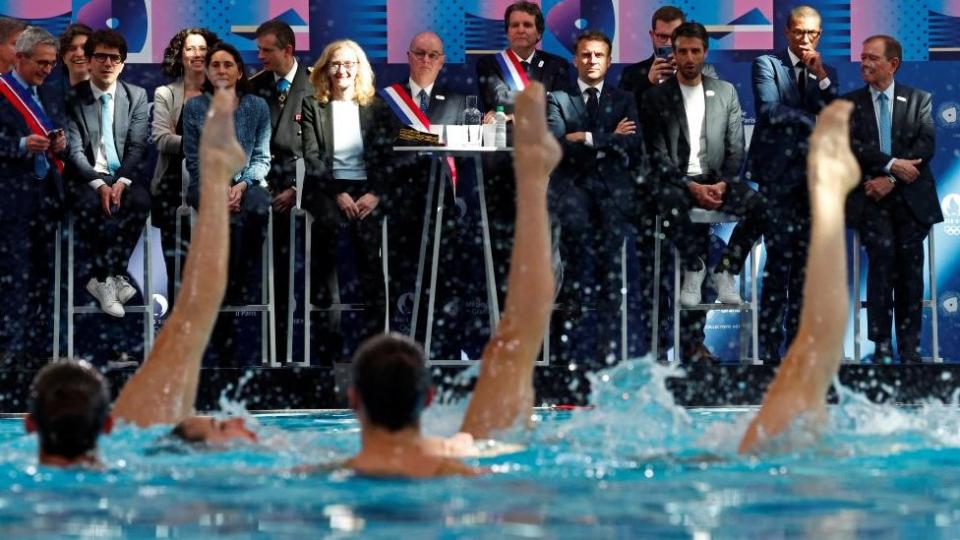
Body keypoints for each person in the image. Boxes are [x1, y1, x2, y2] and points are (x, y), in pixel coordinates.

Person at [25, 86, 256, 466]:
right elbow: (192, 313)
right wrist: (215, 177)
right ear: (109, 425)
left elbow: (191, 318)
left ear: (30, 426)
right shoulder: (137, 427)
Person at [344, 82, 558, 477]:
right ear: (429, 397)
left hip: (449, 211)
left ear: (353, 400)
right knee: (512, 355)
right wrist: (532, 179)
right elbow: (519, 329)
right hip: (413, 212)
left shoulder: (319, 472)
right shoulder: (457, 457)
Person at [641, 22, 768, 363]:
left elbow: (736, 149)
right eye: (681, 51)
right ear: (673, 52)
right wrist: (691, 187)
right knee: (666, 202)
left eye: (695, 51)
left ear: (705, 52)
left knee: (761, 208)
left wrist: (723, 184)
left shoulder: (724, 91)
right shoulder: (655, 98)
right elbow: (656, 155)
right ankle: (695, 265)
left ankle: (726, 266)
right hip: (677, 184)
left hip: (719, 181)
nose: (688, 57)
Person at [739, 99, 861, 453]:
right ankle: (828, 191)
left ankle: (828, 190)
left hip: (741, 459)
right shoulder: (770, 69)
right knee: (812, 353)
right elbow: (769, 107)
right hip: (784, 190)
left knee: (810, 351)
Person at [618, 6, 718, 360]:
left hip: (693, 186)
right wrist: (650, 86)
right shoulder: (632, 77)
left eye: (676, 38)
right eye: (663, 38)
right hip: (648, 189)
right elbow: (627, 131)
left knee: (696, 269)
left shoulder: (707, 77)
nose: (670, 46)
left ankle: (693, 343)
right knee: (654, 273)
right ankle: (656, 348)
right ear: (652, 37)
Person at [745, 5, 838, 364]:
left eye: (812, 34)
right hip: (776, 182)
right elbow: (769, 111)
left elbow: (837, 111)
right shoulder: (767, 65)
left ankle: (797, 349)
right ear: (786, 32)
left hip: (814, 185)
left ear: (820, 36)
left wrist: (821, 77)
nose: (805, 40)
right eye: (799, 32)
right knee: (777, 267)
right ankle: (768, 351)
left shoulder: (826, 73)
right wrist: (815, 120)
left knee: (805, 272)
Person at [545, 30, 642, 367]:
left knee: (613, 278)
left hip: (613, 197)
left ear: (609, 60)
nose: (591, 61)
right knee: (578, 276)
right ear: (575, 59)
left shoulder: (624, 98)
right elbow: (558, 145)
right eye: (585, 55)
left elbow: (631, 144)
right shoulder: (557, 98)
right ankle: (573, 357)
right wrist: (608, 138)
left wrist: (584, 136)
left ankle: (611, 357)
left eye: (598, 55)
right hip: (571, 195)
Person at [844, 35, 942, 364]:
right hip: (870, 199)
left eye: (873, 58)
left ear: (893, 64)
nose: (865, 64)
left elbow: (924, 147)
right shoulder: (849, 104)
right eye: (863, 57)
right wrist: (889, 165)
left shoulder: (920, 100)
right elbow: (853, 147)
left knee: (910, 269)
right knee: (883, 257)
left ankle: (911, 348)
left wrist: (891, 178)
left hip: (910, 199)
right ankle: (882, 344)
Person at [475, 1, 573, 311]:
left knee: (548, 248)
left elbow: (561, 112)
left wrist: (514, 113)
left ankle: (544, 321)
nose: (520, 30)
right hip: (503, 171)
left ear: (539, 32)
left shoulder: (558, 66)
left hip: (546, 173)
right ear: (506, 31)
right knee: (506, 247)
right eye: (515, 25)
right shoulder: (490, 65)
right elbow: (497, 100)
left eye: (527, 25)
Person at [300, 39, 393, 358]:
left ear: (359, 69)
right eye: (336, 64)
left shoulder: (375, 106)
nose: (342, 70)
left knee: (370, 257)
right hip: (327, 189)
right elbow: (312, 157)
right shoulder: (313, 104)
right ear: (326, 69)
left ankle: (375, 344)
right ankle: (327, 343)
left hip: (366, 189)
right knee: (326, 245)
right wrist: (337, 193)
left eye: (349, 64)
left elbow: (389, 155)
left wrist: (375, 194)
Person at [183, 41, 271, 365]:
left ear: (239, 71)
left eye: (227, 65)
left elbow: (262, 158)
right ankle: (224, 292)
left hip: (247, 185)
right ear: (207, 71)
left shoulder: (257, 106)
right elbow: (194, 160)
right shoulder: (194, 108)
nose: (221, 70)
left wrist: (243, 184)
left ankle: (241, 282)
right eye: (215, 65)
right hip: (206, 185)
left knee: (259, 208)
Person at [379, 31, 466, 338]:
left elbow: (464, 147)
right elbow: (390, 139)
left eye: (433, 55)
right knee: (402, 280)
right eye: (419, 53)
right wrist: (434, 138)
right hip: (402, 205)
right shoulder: (387, 99)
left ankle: (443, 342)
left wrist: (426, 139)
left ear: (442, 62)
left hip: (444, 207)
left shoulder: (458, 102)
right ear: (408, 56)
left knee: (443, 279)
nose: (426, 60)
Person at [63, 29, 150, 318]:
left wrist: (121, 182)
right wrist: (100, 185)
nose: (108, 63)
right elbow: (73, 152)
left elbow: (138, 146)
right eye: (100, 56)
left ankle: (106, 278)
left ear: (123, 64)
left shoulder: (136, 95)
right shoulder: (72, 98)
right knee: (92, 208)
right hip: (87, 179)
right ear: (88, 61)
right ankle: (107, 278)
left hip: (122, 176)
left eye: (115, 58)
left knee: (140, 201)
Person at [0, 26, 68, 366]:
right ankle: (10, 358)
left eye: (52, 63)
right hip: (11, 205)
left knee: (44, 282)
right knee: (14, 282)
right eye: (41, 63)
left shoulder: (52, 93)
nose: (47, 69)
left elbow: (61, 137)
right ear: (20, 57)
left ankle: (36, 357)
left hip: (46, 203)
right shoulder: (1, 92)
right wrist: (20, 145)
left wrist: (61, 144)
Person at [250, 19, 312, 363]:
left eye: (266, 50)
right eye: (258, 50)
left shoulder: (319, 84)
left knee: (315, 276)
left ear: (288, 50)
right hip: (266, 192)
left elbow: (324, 147)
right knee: (274, 275)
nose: (260, 56)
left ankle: (316, 356)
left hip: (309, 192)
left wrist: (295, 188)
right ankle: (276, 353)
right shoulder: (254, 87)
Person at [151, 27, 218, 311]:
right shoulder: (166, 93)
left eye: (202, 48)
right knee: (177, 263)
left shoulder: (224, 94)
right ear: (179, 55)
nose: (197, 54)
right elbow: (161, 139)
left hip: (213, 187)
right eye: (190, 48)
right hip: (171, 185)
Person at [618, 5, 718, 113]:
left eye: (675, 36)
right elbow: (621, 115)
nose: (669, 43)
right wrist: (648, 83)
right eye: (662, 36)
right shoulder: (631, 74)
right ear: (652, 36)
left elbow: (715, 111)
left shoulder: (705, 71)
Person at [58, 23, 92, 89]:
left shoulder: (113, 90)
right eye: (72, 48)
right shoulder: (46, 94)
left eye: (85, 47)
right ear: (64, 58)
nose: (79, 54)